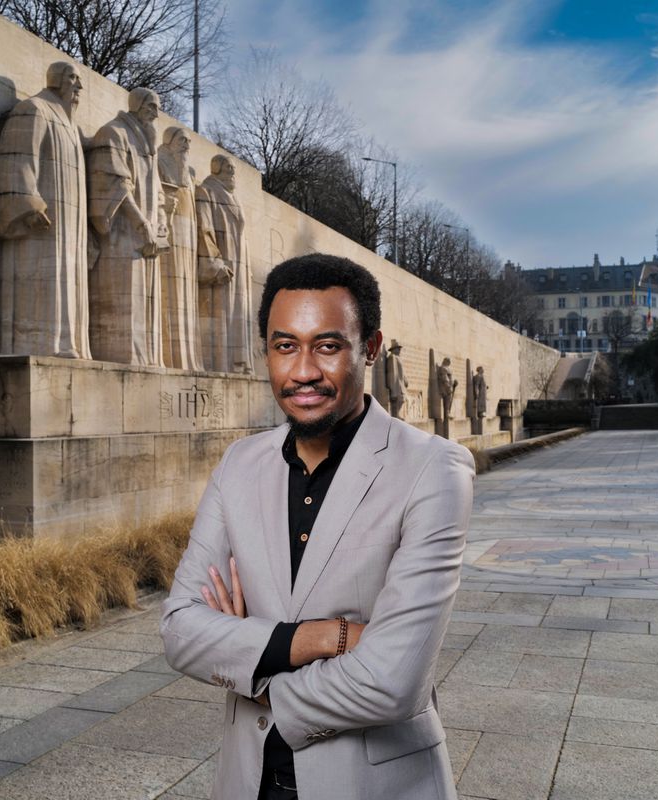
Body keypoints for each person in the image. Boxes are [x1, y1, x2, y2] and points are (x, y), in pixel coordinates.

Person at [161, 254, 474, 800]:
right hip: (248, 780)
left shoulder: (434, 469)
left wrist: (251, 660)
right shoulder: (239, 464)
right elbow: (181, 631)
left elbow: (393, 683)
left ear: (370, 348)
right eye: (285, 346)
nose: (303, 370)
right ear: (267, 352)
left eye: (327, 346)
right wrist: (320, 638)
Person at [0, 62, 90, 358]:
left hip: (71, 224)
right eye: (73, 78)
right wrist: (28, 203)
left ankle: (67, 344)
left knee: (68, 282)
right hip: (40, 222)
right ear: (57, 80)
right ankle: (39, 345)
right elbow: (17, 158)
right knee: (40, 284)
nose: (79, 87)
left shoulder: (71, 126)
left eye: (79, 80)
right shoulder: (34, 109)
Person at [87, 87, 167, 365]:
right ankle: (126, 359)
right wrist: (140, 221)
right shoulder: (114, 133)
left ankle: (145, 359)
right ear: (136, 105)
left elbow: (157, 192)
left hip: (147, 237)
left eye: (158, 107)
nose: (156, 112)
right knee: (124, 302)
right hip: (121, 235)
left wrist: (161, 221)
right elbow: (115, 184)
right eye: (151, 105)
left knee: (146, 303)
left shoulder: (148, 144)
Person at [196, 155, 253, 373]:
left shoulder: (233, 197)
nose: (232, 172)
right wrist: (215, 262)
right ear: (216, 168)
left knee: (238, 314)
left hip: (238, 265)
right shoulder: (206, 192)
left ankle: (239, 362)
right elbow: (204, 230)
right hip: (223, 267)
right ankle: (223, 363)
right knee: (222, 314)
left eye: (233, 168)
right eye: (228, 167)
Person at [157, 126, 203, 370]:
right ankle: (172, 355)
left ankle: (188, 356)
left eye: (188, 140)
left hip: (188, 240)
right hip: (171, 234)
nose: (186, 144)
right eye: (181, 140)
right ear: (169, 141)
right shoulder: (160, 162)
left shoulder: (189, 173)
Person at [384, 339, 409, 419]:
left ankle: (397, 414)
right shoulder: (392, 357)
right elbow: (392, 373)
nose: (399, 350)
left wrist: (405, 379)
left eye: (400, 349)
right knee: (398, 400)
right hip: (397, 385)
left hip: (401, 384)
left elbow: (402, 371)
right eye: (398, 348)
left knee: (402, 399)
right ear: (394, 349)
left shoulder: (398, 358)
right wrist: (393, 390)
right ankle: (396, 415)